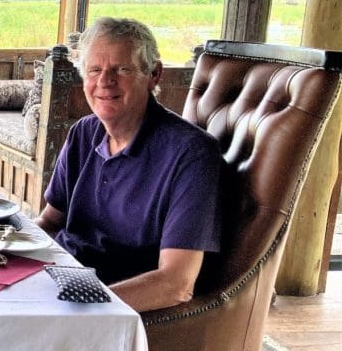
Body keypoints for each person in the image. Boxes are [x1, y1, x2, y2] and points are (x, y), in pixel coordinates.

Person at [34, 17, 223, 312]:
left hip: (110, 307)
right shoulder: (84, 132)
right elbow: (49, 222)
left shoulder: (192, 154)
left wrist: (85, 310)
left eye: (122, 69)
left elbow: (177, 283)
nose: (105, 81)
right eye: (94, 70)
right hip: (61, 282)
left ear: (154, 74)